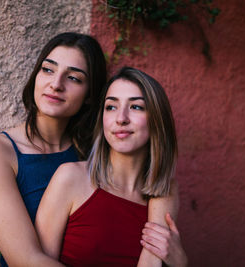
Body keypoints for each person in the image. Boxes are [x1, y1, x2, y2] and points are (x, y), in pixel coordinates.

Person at [0, 32, 187, 266]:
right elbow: (25, 260)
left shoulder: (98, 150)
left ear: (90, 95)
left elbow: (157, 188)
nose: (56, 84)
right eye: (47, 69)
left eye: (74, 78)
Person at [35, 67, 186, 267]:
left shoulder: (164, 191)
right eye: (111, 107)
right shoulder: (71, 177)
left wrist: (181, 263)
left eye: (136, 107)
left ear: (157, 120)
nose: (121, 118)